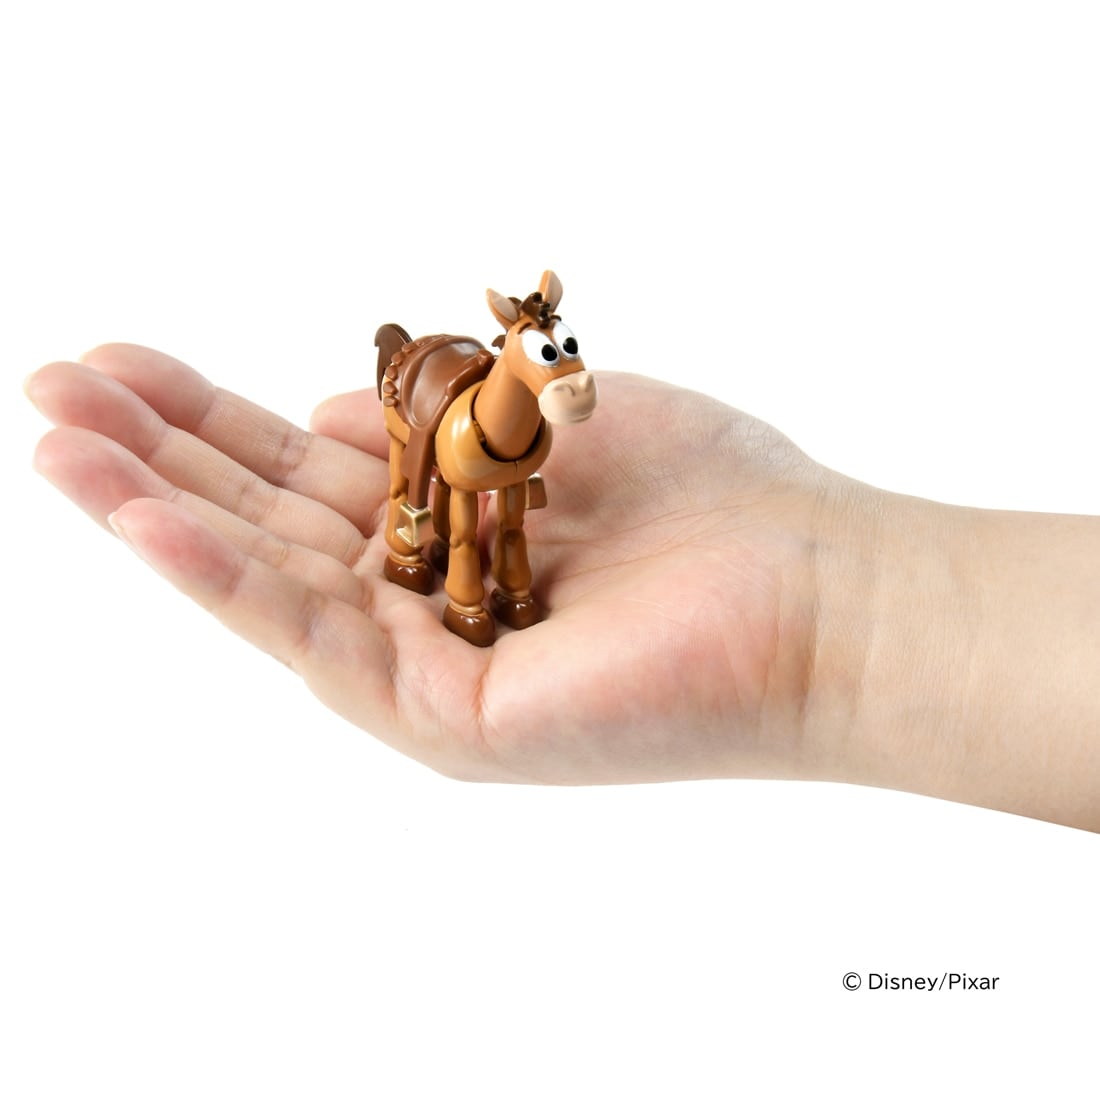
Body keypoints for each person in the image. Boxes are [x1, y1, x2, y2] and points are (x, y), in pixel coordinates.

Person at [25, 343, 1100, 832]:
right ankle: (419, 530)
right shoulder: (470, 388)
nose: (561, 371)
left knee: (507, 506)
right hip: (440, 471)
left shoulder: (536, 421)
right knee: (442, 484)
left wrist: (840, 608)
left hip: (511, 476)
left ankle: (494, 573)